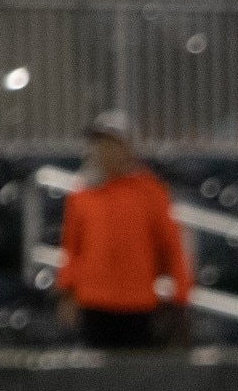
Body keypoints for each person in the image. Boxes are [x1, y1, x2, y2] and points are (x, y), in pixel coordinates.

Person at [54, 110, 192, 351]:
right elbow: (71, 249)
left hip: (138, 304)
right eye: (99, 143)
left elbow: (171, 248)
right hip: (94, 303)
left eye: (111, 143)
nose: (103, 150)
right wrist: (67, 293)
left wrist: (180, 298)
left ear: (128, 147)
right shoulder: (82, 194)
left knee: (135, 380)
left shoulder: (151, 193)